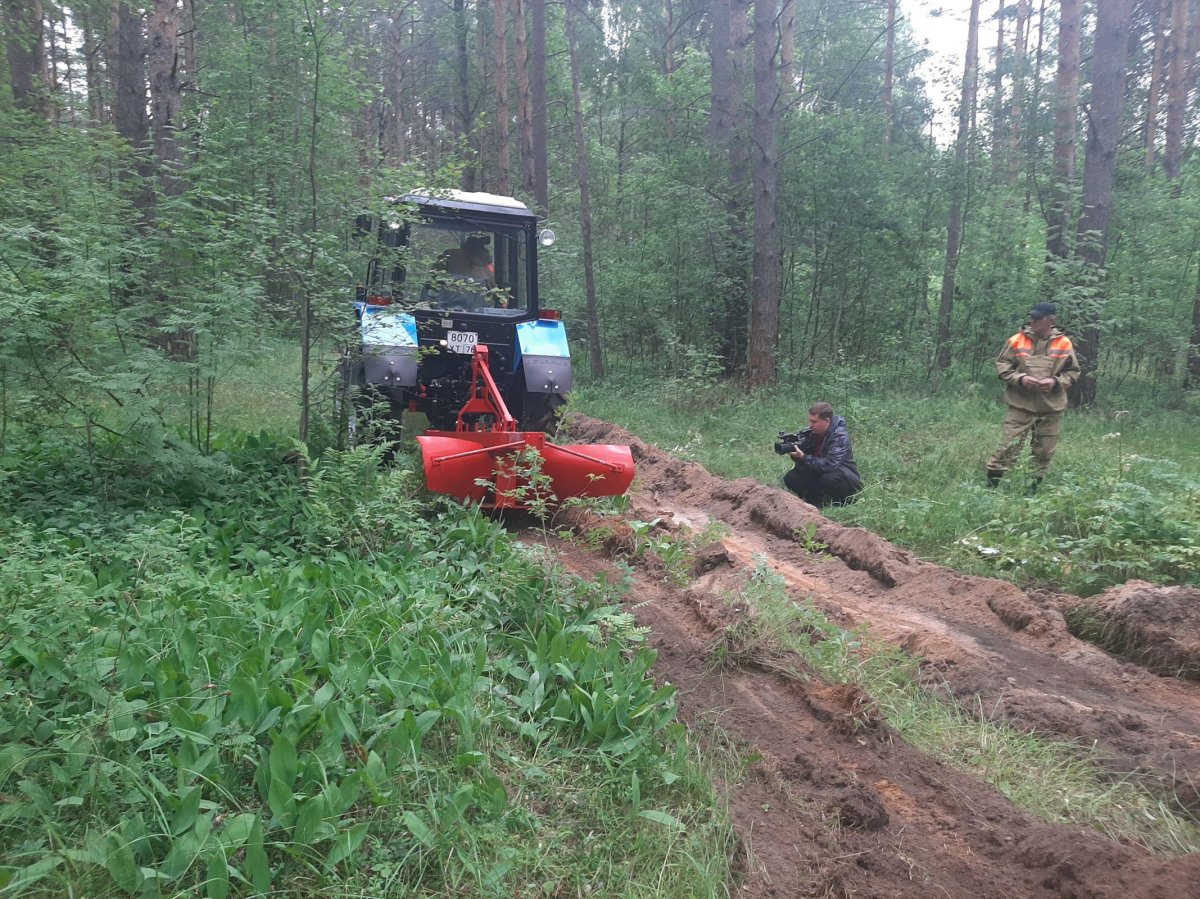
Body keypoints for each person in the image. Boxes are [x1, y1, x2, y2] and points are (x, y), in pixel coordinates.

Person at [985, 301, 1081, 490]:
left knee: (1044, 451)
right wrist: (1020, 379)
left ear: (1051, 320)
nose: (1033, 321)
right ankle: (990, 490)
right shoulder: (1016, 340)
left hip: (1051, 408)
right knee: (1008, 447)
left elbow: (1073, 372)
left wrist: (1055, 382)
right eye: (1032, 317)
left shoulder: (1064, 343)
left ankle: (1032, 492)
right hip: (1020, 405)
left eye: (1038, 318)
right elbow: (1002, 366)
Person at [783, 402, 863, 507]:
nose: (810, 425)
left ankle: (842, 502)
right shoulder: (810, 432)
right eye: (810, 420)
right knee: (791, 478)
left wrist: (804, 457)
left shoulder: (839, 436)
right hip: (820, 470)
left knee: (830, 480)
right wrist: (796, 453)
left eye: (814, 421)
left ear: (827, 421)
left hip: (843, 475)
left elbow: (829, 465)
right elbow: (806, 462)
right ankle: (815, 500)